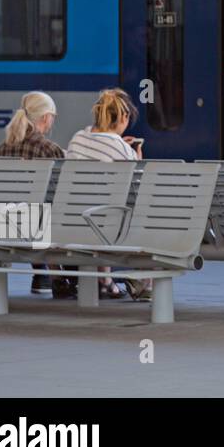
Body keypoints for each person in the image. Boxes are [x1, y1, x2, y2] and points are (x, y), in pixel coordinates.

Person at [66, 88, 145, 299]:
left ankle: (106, 281)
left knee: (102, 206)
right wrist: (135, 157)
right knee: (129, 210)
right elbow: (136, 188)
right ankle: (144, 285)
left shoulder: (78, 138)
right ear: (124, 116)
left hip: (69, 221)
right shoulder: (122, 149)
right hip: (104, 226)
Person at [0, 92, 65, 295]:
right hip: (39, 225)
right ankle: (57, 276)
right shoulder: (49, 149)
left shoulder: (3, 149)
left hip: (4, 221)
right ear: (45, 117)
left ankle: (43, 274)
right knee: (52, 208)